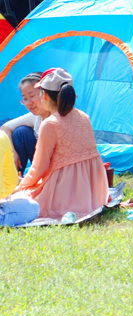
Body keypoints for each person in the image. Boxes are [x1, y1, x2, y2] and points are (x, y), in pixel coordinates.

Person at [4, 69, 107, 222]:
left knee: (21, 201)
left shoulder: (50, 124)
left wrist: (21, 186)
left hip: (63, 191)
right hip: (92, 190)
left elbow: (39, 168)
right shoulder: (84, 117)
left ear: (44, 95)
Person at [0, 74, 48, 174]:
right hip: (41, 163)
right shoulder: (36, 116)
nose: (29, 103)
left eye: (32, 96)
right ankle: (13, 179)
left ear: (46, 93)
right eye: (25, 99)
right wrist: (12, 152)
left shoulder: (59, 119)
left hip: (56, 170)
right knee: (19, 132)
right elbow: (4, 128)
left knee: (21, 132)